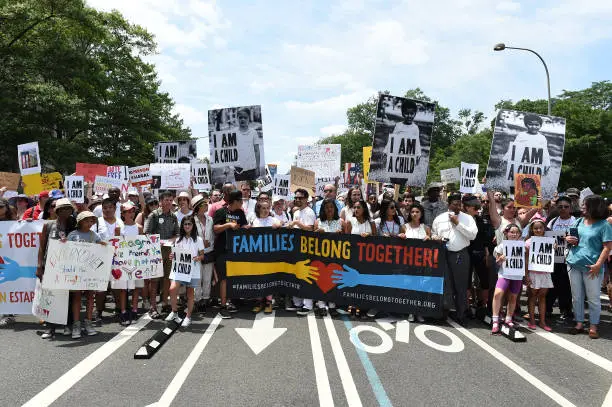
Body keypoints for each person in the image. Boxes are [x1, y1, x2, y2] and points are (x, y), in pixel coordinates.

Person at [565, 195, 612, 339]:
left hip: (593, 267)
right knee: (576, 297)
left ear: (594, 206)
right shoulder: (578, 221)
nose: (582, 207)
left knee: (593, 298)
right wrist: (568, 239)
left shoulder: (604, 225)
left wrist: (598, 265)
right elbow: (569, 237)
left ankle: (593, 326)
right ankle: (579, 323)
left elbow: (607, 247)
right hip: (574, 264)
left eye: (585, 204)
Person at [431, 193, 478, 326]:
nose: (457, 207)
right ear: (448, 204)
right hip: (443, 255)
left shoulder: (468, 218)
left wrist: (457, 224)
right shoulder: (439, 219)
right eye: (454, 204)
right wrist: (435, 238)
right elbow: (434, 233)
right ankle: (444, 312)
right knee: (445, 285)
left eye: (459, 204)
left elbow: (473, 235)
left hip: (460, 255)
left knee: (461, 286)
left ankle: (461, 314)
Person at [36, 198, 77, 339]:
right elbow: (41, 247)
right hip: (51, 267)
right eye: (62, 209)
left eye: (68, 209)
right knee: (50, 297)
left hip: (69, 268)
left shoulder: (75, 225)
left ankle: (68, 325)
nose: (65, 212)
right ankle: (50, 327)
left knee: (69, 297)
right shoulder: (48, 225)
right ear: (56, 211)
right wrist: (39, 267)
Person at [66, 211, 107, 338]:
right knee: (77, 297)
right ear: (80, 222)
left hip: (91, 271)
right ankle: (76, 324)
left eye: (91, 221)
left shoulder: (94, 235)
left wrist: (107, 246)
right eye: (86, 220)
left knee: (90, 296)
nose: (89, 223)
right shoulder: (73, 235)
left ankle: (88, 322)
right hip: (76, 271)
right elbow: (66, 250)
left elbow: (101, 246)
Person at [144, 191, 180, 319]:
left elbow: (177, 234)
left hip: (168, 250)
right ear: (160, 201)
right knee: (154, 280)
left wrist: (172, 240)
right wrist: (156, 242)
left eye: (171, 200)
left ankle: (165, 303)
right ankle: (152, 307)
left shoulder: (173, 216)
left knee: (167, 278)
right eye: (166, 200)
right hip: (155, 251)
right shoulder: (153, 215)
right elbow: (146, 233)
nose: (169, 203)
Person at [165, 215, 205, 328]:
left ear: (193, 226)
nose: (187, 226)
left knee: (190, 294)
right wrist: (172, 255)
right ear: (182, 226)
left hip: (193, 270)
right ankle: (174, 312)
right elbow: (175, 254)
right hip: (179, 269)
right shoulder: (178, 239)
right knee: (172, 289)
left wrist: (198, 258)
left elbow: (202, 255)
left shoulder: (198, 240)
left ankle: (188, 316)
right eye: (185, 224)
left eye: (189, 224)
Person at [213, 189, 248, 318]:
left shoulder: (240, 213)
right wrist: (228, 225)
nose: (242, 203)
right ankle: (222, 306)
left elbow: (243, 226)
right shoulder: (221, 212)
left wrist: (245, 228)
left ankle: (233, 301)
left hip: (236, 251)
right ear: (235, 201)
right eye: (241, 201)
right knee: (224, 279)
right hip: (222, 250)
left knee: (234, 276)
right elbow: (215, 229)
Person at [285, 188, 317, 316]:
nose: (297, 200)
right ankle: (297, 302)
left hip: (307, 248)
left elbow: (310, 229)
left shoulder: (309, 212)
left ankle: (308, 305)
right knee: (296, 274)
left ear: (306, 199)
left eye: (300, 198)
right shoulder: (297, 212)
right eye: (296, 197)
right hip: (297, 246)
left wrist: (297, 223)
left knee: (306, 276)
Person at [111, 202, 144, 326]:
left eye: (132, 211)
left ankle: (134, 310)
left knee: (136, 287)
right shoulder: (119, 228)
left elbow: (143, 246)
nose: (131, 213)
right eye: (128, 211)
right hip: (123, 261)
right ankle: (124, 311)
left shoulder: (139, 227)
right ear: (123, 214)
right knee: (123, 289)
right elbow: (116, 244)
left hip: (136, 261)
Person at [93, 197, 124, 325]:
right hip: (101, 258)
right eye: (105, 208)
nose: (107, 210)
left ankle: (118, 310)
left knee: (117, 286)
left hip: (117, 259)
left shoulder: (120, 222)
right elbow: (93, 238)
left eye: (110, 207)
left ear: (115, 209)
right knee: (101, 287)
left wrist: (118, 236)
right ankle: (98, 311)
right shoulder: (97, 222)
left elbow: (125, 241)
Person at [545, 196, 575, 323]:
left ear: (571, 208)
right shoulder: (552, 221)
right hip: (554, 256)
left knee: (566, 286)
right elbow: (546, 236)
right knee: (551, 284)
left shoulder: (576, 222)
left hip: (569, 257)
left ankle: (566, 310)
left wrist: (568, 240)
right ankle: (547, 309)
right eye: (560, 206)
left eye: (566, 207)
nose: (563, 209)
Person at [491, 224, 525, 334]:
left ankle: (508, 318)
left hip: (517, 275)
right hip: (504, 274)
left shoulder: (523, 245)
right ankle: (495, 320)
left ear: (519, 234)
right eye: (512, 232)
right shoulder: (501, 246)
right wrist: (500, 259)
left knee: (513, 297)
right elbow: (497, 262)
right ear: (506, 233)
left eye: (516, 232)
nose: (514, 234)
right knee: (497, 294)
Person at [313, 198, 344, 318]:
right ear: (323, 209)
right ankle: (321, 304)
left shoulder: (341, 222)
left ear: (335, 208)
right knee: (321, 279)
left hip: (336, 256)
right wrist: (318, 232)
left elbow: (348, 239)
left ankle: (332, 305)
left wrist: (340, 235)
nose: (329, 209)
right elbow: (312, 239)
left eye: (331, 207)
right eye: (326, 207)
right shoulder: (318, 221)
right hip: (321, 255)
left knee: (333, 280)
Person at [345, 199, 376, 318]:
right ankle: (352, 305)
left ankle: (363, 306)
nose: (356, 210)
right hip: (353, 257)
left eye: (359, 207)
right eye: (355, 207)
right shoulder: (350, 221)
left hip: (367, 258)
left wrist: (369, 237)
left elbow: (376, 239)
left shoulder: (371, 223)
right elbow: (347, 240)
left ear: (364, 210)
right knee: (353, 281)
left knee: (364, 282)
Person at [250, 199, 282, 314]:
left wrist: (277, 225)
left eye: (268, 208)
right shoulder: (254, 220)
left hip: (270, 255)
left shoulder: (273, 219)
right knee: (258, 278)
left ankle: (268, 302)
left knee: (269, 278)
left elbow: (281, 223)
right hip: (257, 255)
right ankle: (259, 301)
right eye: (263, 208)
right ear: (258, 209)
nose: (266, 210)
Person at [463, 196, 493, 311]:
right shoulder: (461, 220)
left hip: (479, 253)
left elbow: (485, 239)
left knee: (484, 279)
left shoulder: (481, 220)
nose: (477, 208)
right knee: (466, 281)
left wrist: (486, 254)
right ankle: (466, 306)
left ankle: (483, 305)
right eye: (474, 206)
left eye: (477, 206)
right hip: (466, 252)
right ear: (466, 207)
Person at [524, 215, 554, 331]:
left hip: (545, 273)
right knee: (532, 296)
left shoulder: (549, 242)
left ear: (544, 229)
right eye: (535, 228)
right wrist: (526, 275)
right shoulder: (528, 242)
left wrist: (553, 247)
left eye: (540, 228)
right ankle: (532, 320)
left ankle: (542, 321)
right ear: (532, 229)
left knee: (542, 297)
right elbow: (526, 260)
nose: (538, 230)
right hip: (533, 273)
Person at [382, 99, 422, 185]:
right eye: (407, 113)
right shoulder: (398, 125)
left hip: (407, 156)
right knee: (394, 173)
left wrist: (418, 154)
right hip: (397, 154)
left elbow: (417, 141)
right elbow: (392, 140)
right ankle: (393, 184)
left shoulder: (415, 128)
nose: (409, 116)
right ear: (403, 113)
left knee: (404, 176)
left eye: (412, 113)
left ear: (415, 114)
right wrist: (386, 151)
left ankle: (401, 185)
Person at [192, 195, 214, 313]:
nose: (206, 205)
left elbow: (212, 235)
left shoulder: (210, 219)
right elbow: (189, 236)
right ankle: (197, 300)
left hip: (209, 251)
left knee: (207, 277)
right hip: (196, 253)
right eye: (204, 204)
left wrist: (209, 243)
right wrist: (200, 243)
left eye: (206, 203)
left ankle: (206, 299)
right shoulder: (191, 220)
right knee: (197, 277)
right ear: (198, 207)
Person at [233, 107, 263, 180]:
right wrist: (227, 167)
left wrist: (257, 167)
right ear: (237, 118)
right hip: (238, 169)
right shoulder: (233, 132)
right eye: (240, 117)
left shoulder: (253, 132)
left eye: (245, 117)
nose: (243, 119)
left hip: (251, 169)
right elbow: (229, 150)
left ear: (249, 118)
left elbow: (256, 150)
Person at [0, 198, 17, 326]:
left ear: (6, 207)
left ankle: (9, 314)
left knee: (8, 285)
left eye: (1, 207)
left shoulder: (13, 222)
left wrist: (27, 224)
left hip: (8, 257)